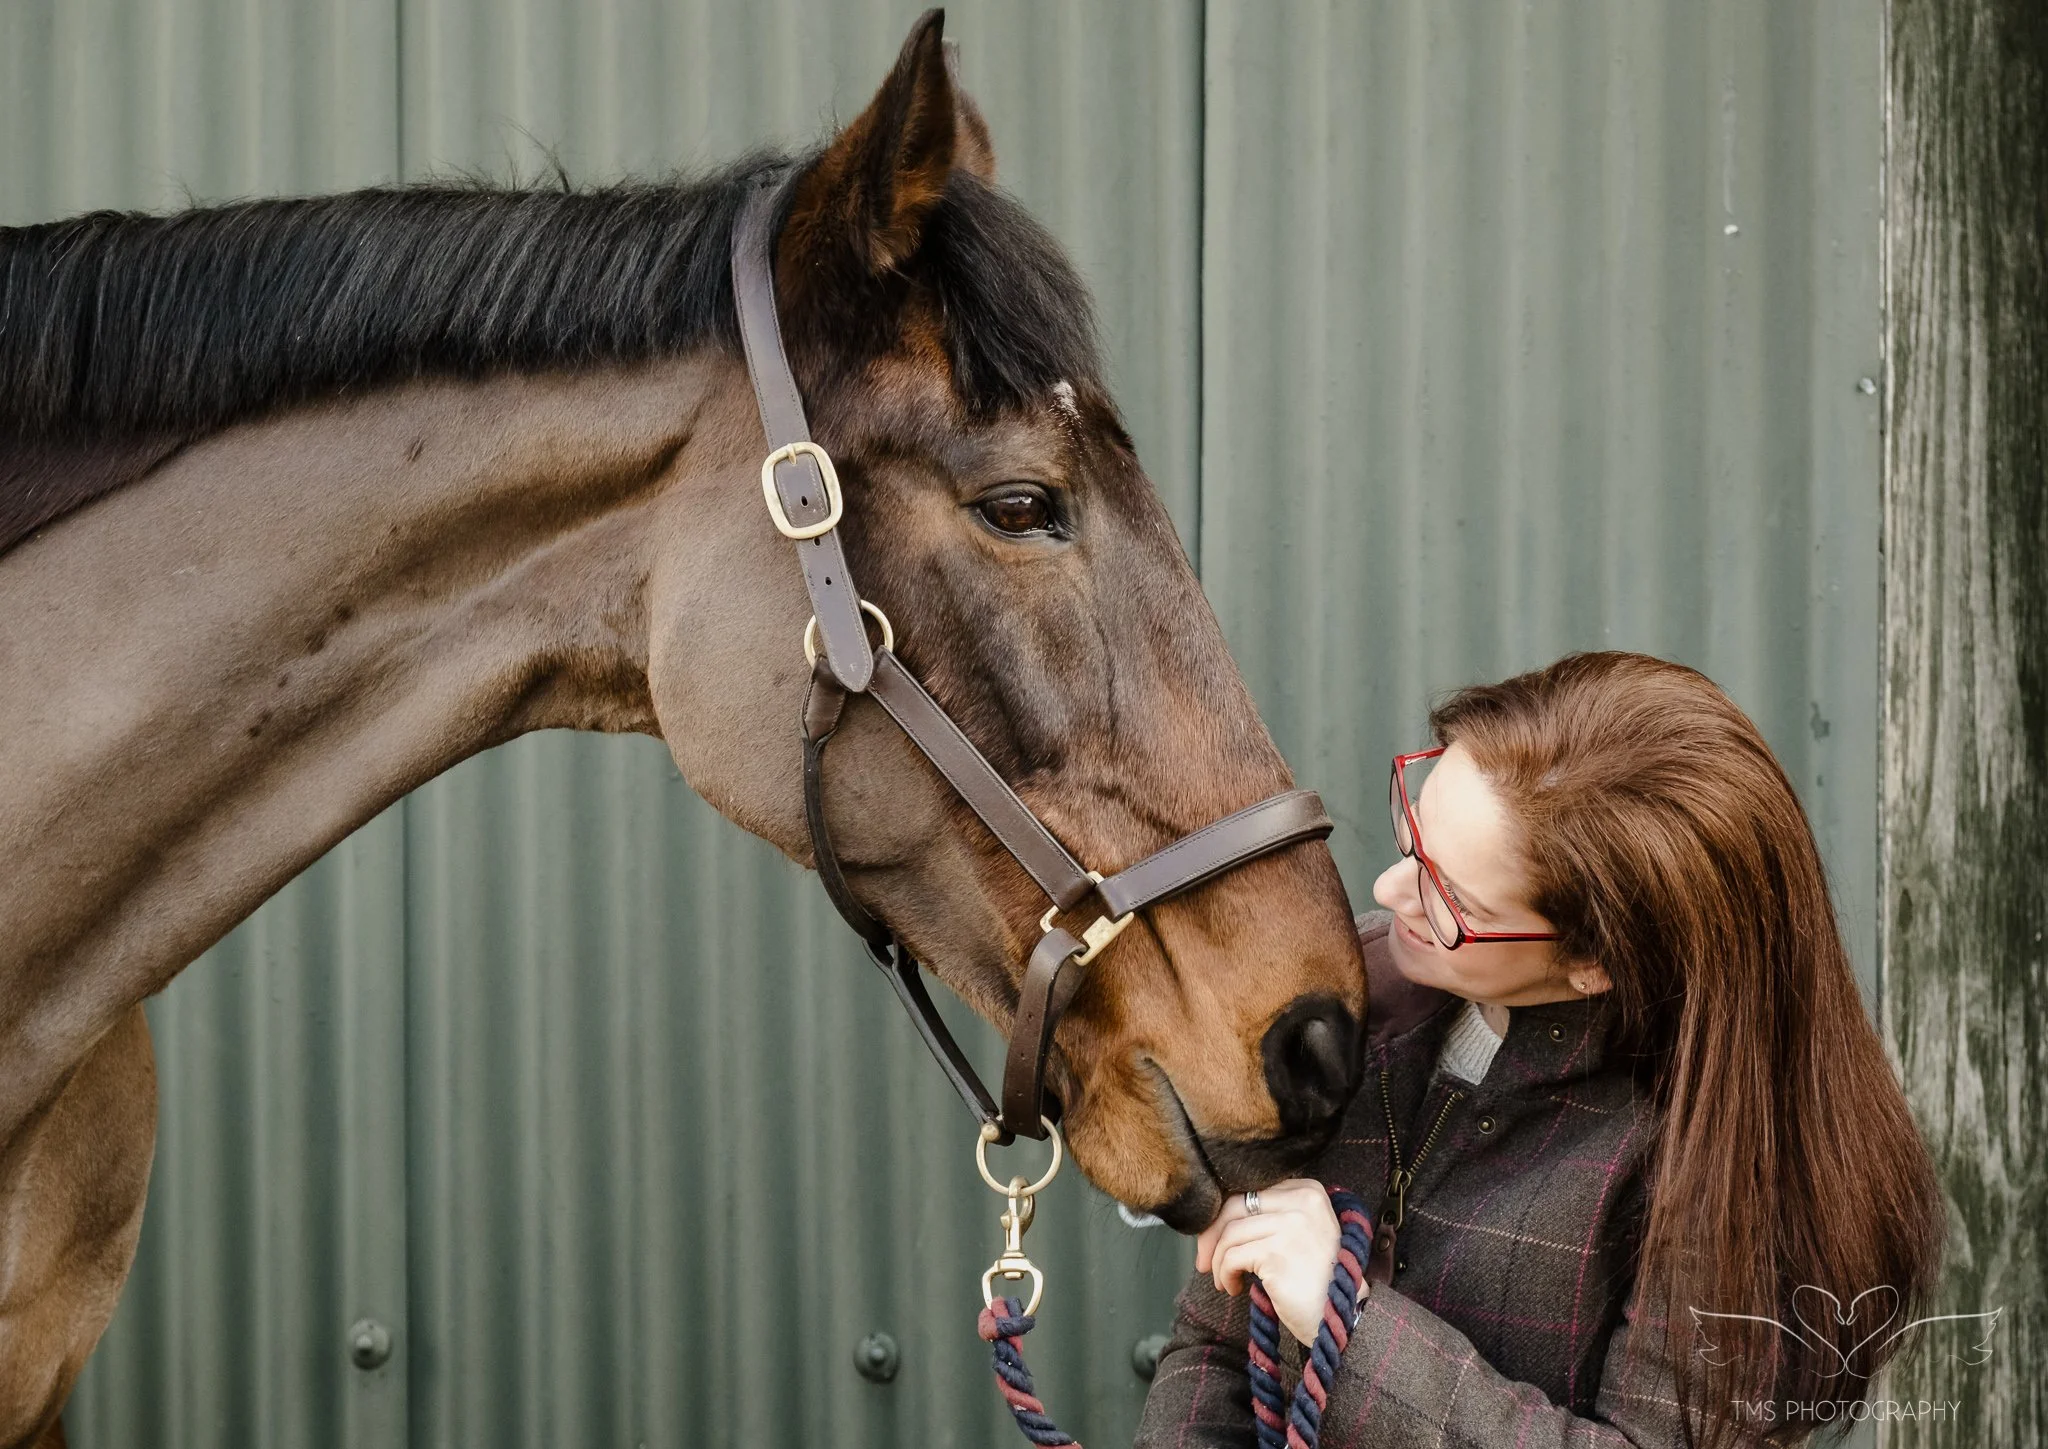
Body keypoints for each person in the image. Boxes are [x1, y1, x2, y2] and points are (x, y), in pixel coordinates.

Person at [1135, 651, 1944, 1447]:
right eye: (1415, 833)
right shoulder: (1352, 1001)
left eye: (1450, 897)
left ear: (1595, 961)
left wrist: (1346, 1324)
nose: (1387, 890)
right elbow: (1218, 1341)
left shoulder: (1725, 1161)